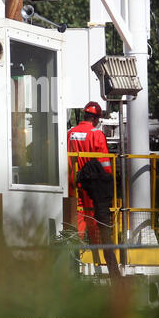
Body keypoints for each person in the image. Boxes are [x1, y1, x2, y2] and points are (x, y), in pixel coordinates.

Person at [68, 101, 121, 279]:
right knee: (94, 217)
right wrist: (108, 184)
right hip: (92, 183)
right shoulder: (96, 135)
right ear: (96, 118)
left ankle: (76, 248)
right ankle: (97, 250)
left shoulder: (69, 134)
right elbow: (105, 164)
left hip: (72, 181)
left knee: (77, 215)